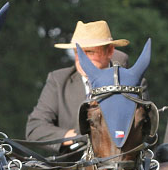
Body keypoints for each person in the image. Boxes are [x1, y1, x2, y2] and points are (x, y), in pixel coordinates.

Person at [25, 20, 130, 155]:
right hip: (71, 169)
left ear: (109, 51)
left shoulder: (130, 84)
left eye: (90, 52)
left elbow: (143, 131)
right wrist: (76, 137)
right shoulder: (58, 80)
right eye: (77, 52)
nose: (82, 60)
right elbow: (35, 128)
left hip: (118, 167)